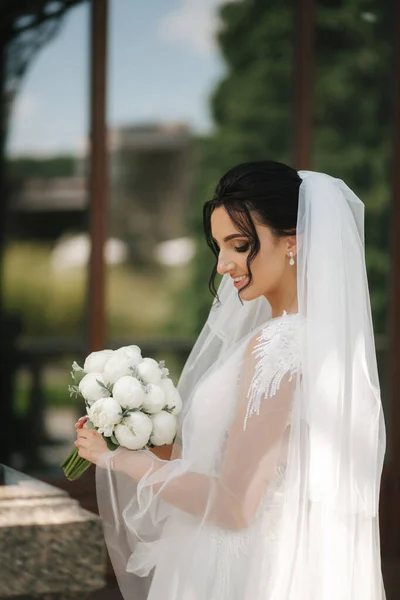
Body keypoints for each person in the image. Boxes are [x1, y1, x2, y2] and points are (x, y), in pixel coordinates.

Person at [75, 161, 386, 600]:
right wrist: (152, 444)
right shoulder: (302, 338)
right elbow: (233, 461)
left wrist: (123, 462)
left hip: (244, 574)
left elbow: (235, 506)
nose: (223, 265)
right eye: (219, 247)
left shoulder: (281, 347)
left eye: (239, 246)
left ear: (292, 243)